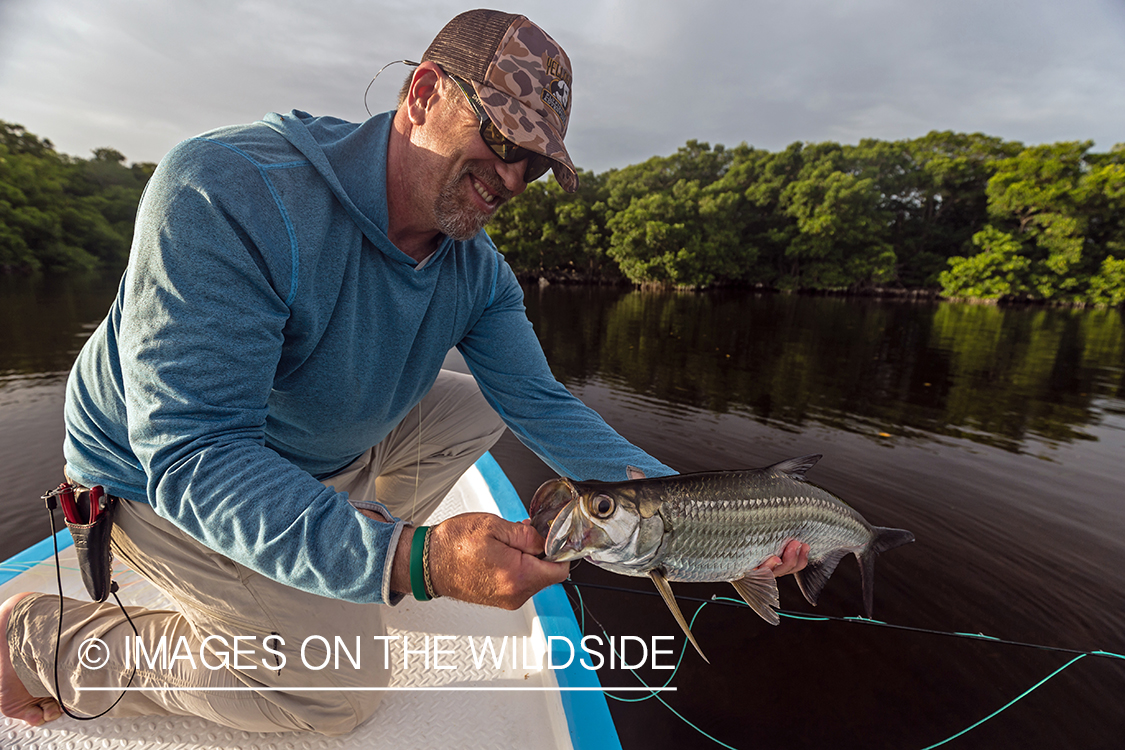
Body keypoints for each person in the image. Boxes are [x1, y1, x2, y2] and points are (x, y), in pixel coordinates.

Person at [1, 9, 808, 735]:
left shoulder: (478, 273)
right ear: (423, 92)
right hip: (146, 483)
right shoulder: (228, 190)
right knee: (335, 689)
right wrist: (416, 560)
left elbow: (538, 403)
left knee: (479, 407)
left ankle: (338, 553)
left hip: (298, 454)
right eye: (500, 141)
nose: (511, 181)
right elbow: (194, 454)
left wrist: (707, 518)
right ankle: (36, 639)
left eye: (532, 164)